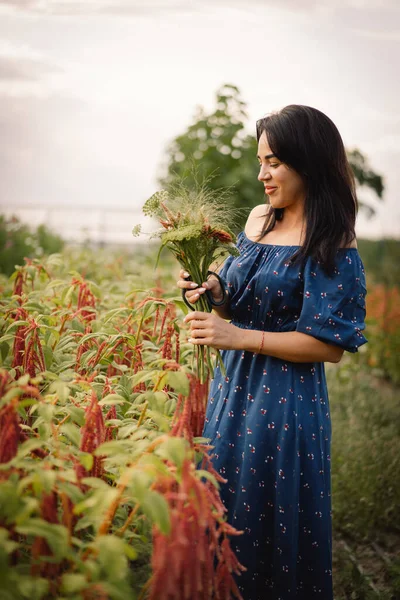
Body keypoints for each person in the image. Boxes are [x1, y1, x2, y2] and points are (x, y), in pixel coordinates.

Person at [177, 104, 368, 600]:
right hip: (232, 390)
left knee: (266, 519)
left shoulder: (333, 238)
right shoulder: (259, 219)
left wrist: (238, 337)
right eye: (261, 161)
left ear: (309, 162)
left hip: (286, 403)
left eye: (274, 162)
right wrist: (211, 287)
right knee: (222, 506)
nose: (262, 174)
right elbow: (237, 293)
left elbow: (329, 345)